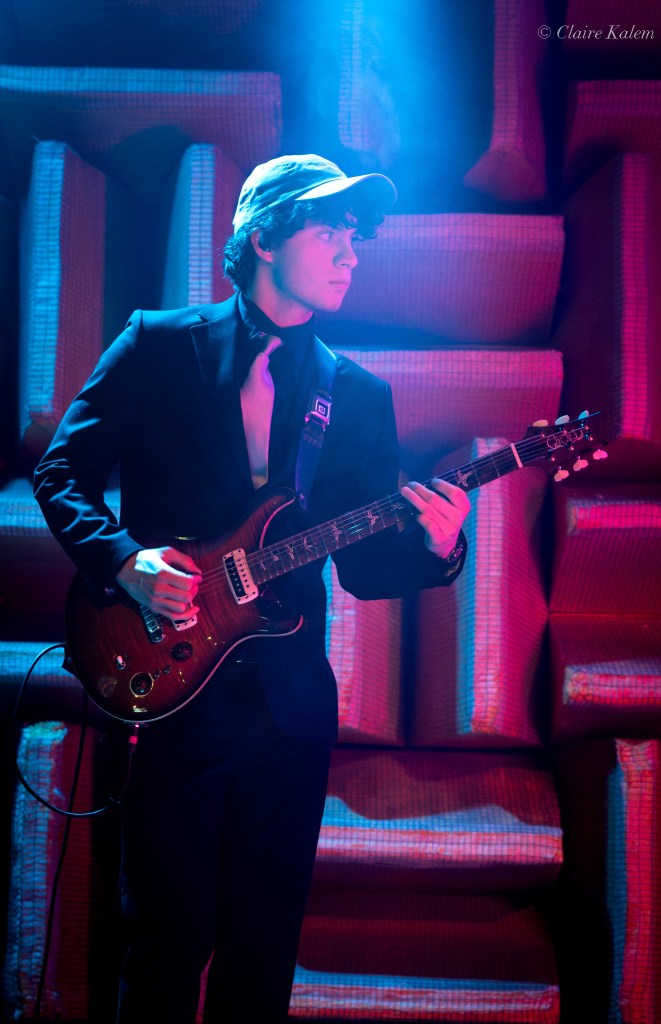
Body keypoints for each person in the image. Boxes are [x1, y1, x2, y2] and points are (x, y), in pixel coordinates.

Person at [34, 153, 470, 1023]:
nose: (350, 252)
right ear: (263, 239)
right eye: (328, 230)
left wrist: (440, 549)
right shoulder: (157, 345)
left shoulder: (357, 395)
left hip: (289, 713)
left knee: (262, 956)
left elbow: (363, 569)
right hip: (170, 693)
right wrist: (124, 561)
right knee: (164, 944)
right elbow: (61, 473)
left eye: (356, 235)